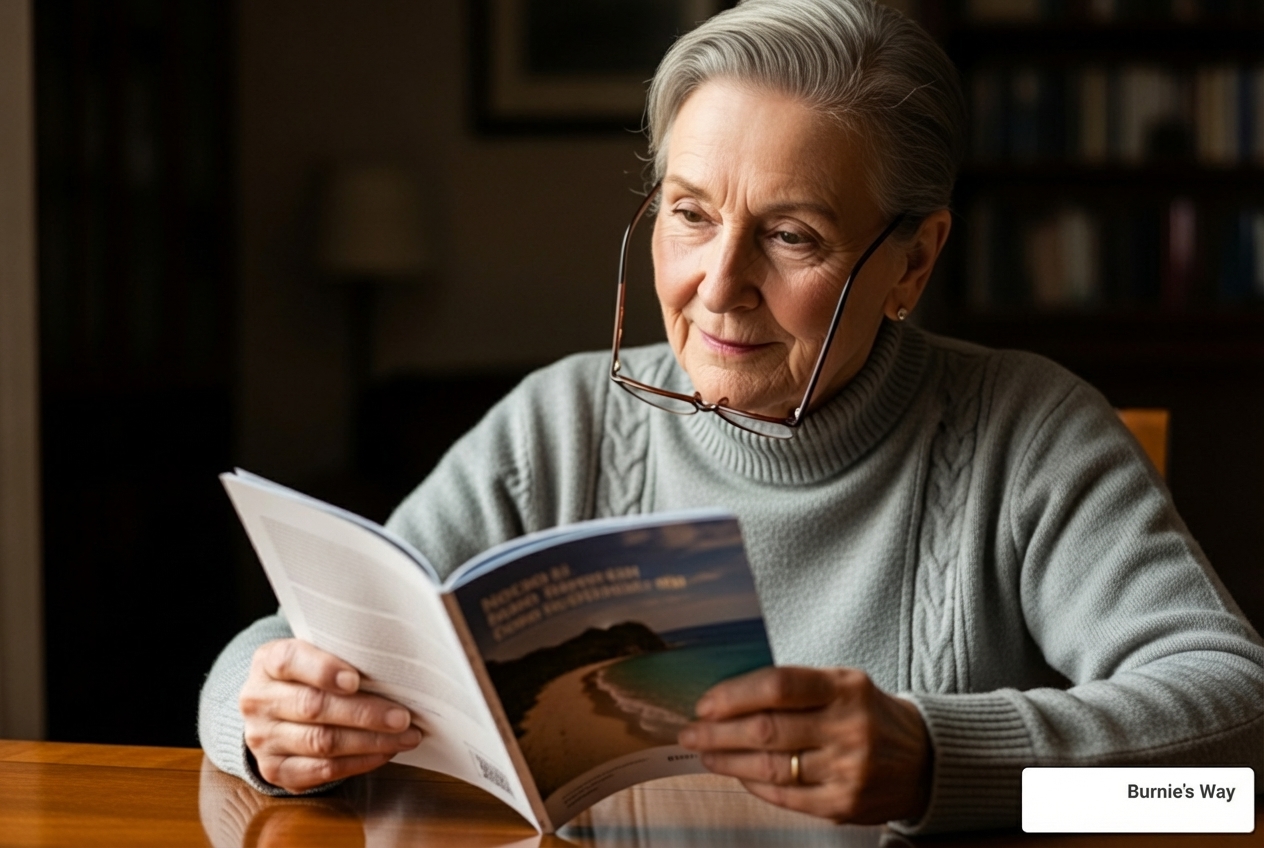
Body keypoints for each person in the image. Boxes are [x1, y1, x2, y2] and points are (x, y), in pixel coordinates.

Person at [199, 0, 1264, 833]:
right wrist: (267, 719)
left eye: (791, 235)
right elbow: (268, 655)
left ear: (912, 261)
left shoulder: (1027, 433)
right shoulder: (558, 424)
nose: (717, 285)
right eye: (691, 215)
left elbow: (1231, 756)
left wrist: (942, 761)